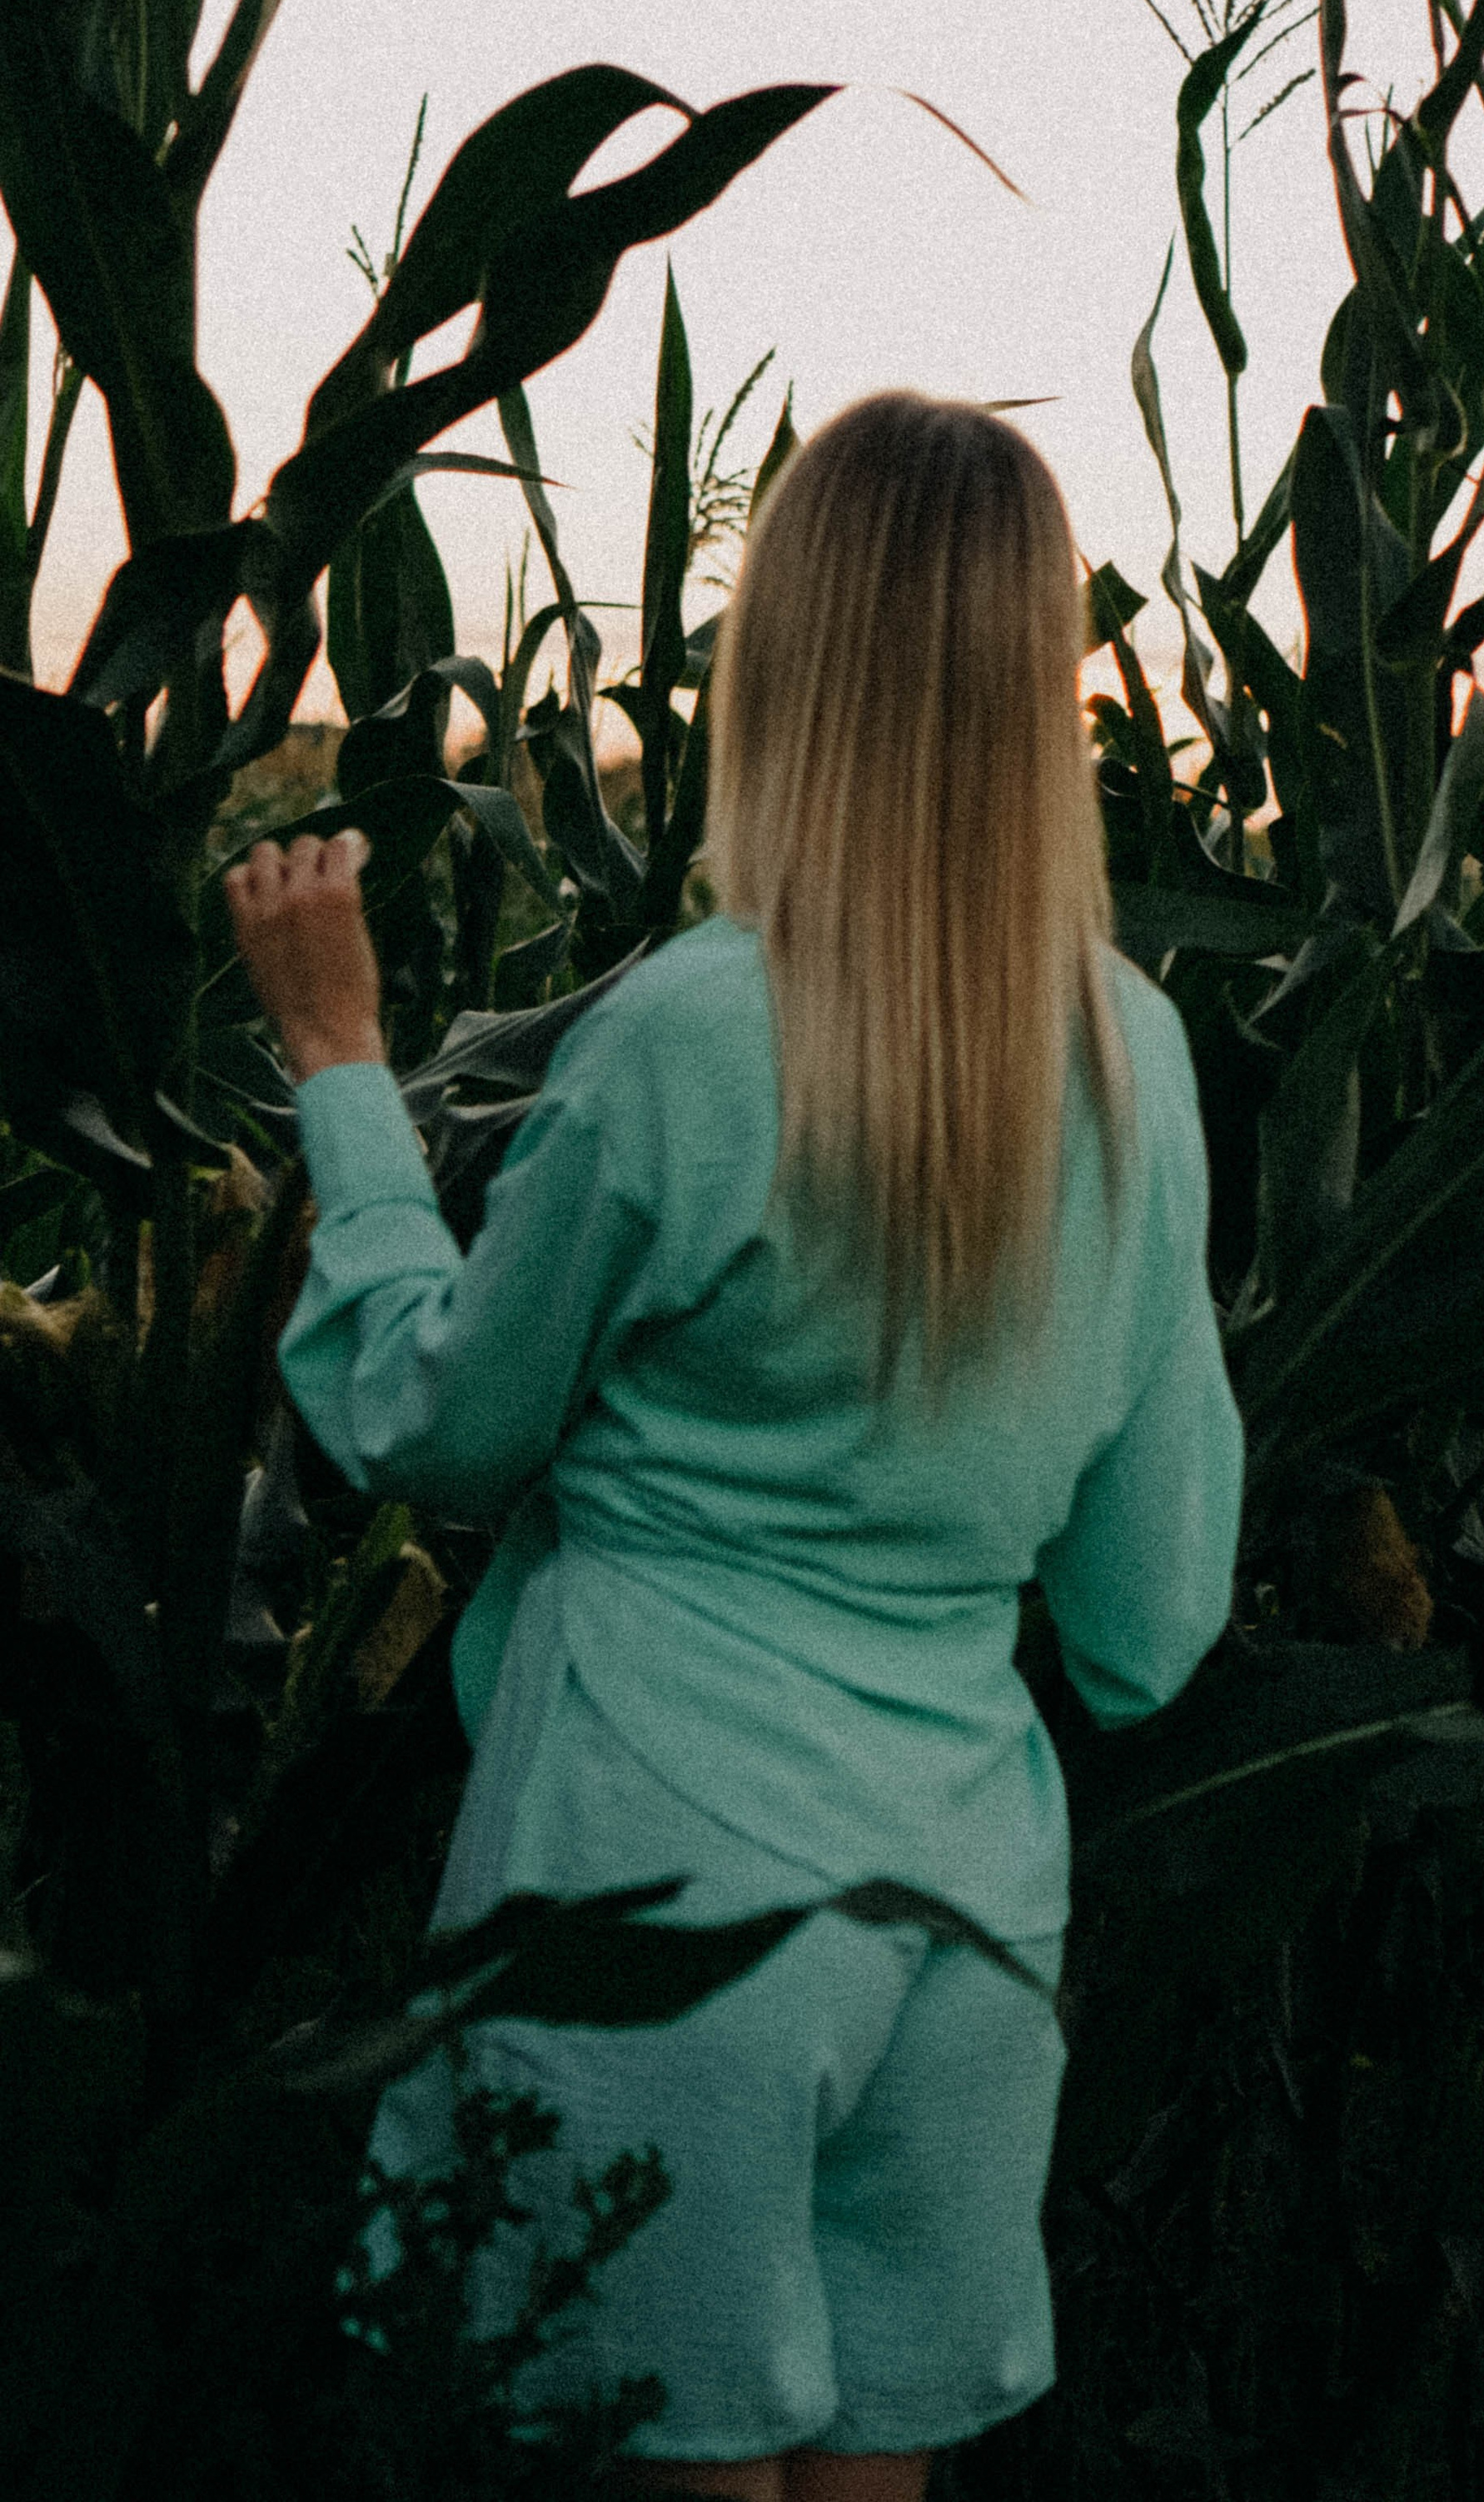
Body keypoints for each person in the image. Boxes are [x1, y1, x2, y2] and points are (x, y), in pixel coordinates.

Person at [223, 392, 1245, 2502]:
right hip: (966, 1931)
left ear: (779, 671)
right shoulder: (1132, 1056)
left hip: (654, 1893)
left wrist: (341, 1064)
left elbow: (436, 1424)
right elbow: (1148, 1624)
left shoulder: (690, 1034)